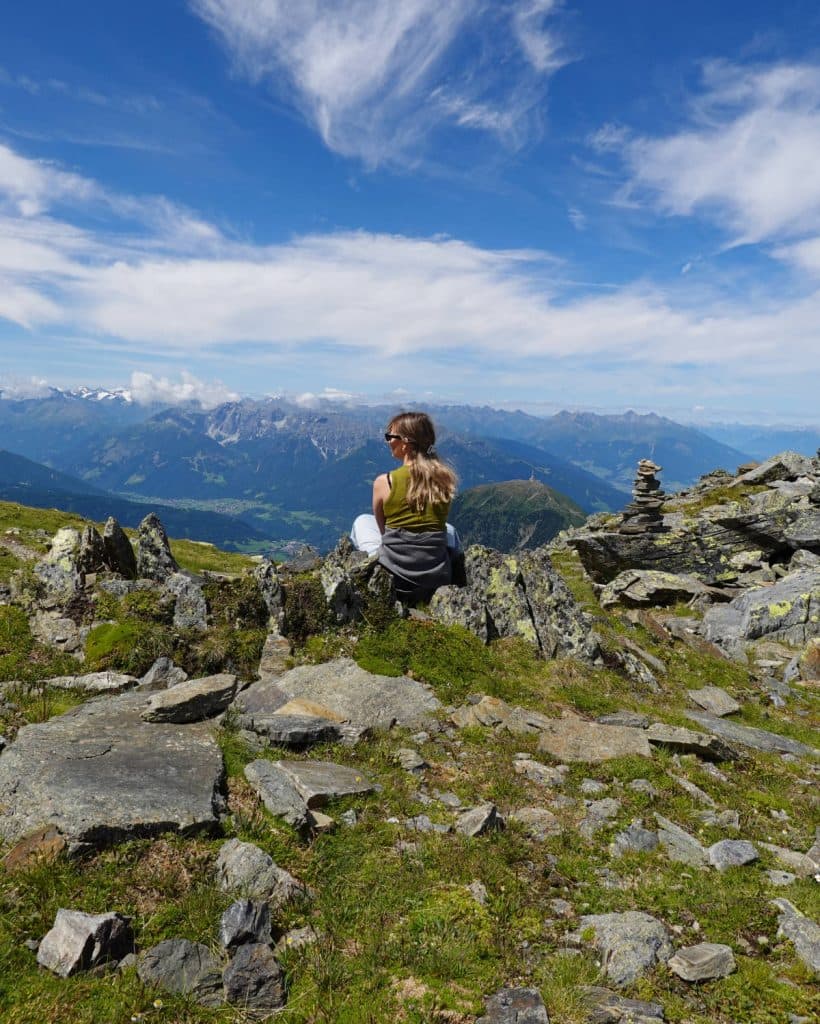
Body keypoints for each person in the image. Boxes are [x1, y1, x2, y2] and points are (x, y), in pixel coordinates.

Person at [351, 411, 461, 603]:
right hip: (436, 579)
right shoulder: (445, 479)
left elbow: (384, 530)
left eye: (390, 436)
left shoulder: (384, 482)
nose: (387, 441)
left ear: (405, 442)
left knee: (361, 521)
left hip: (396, 579)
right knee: (450, 530)